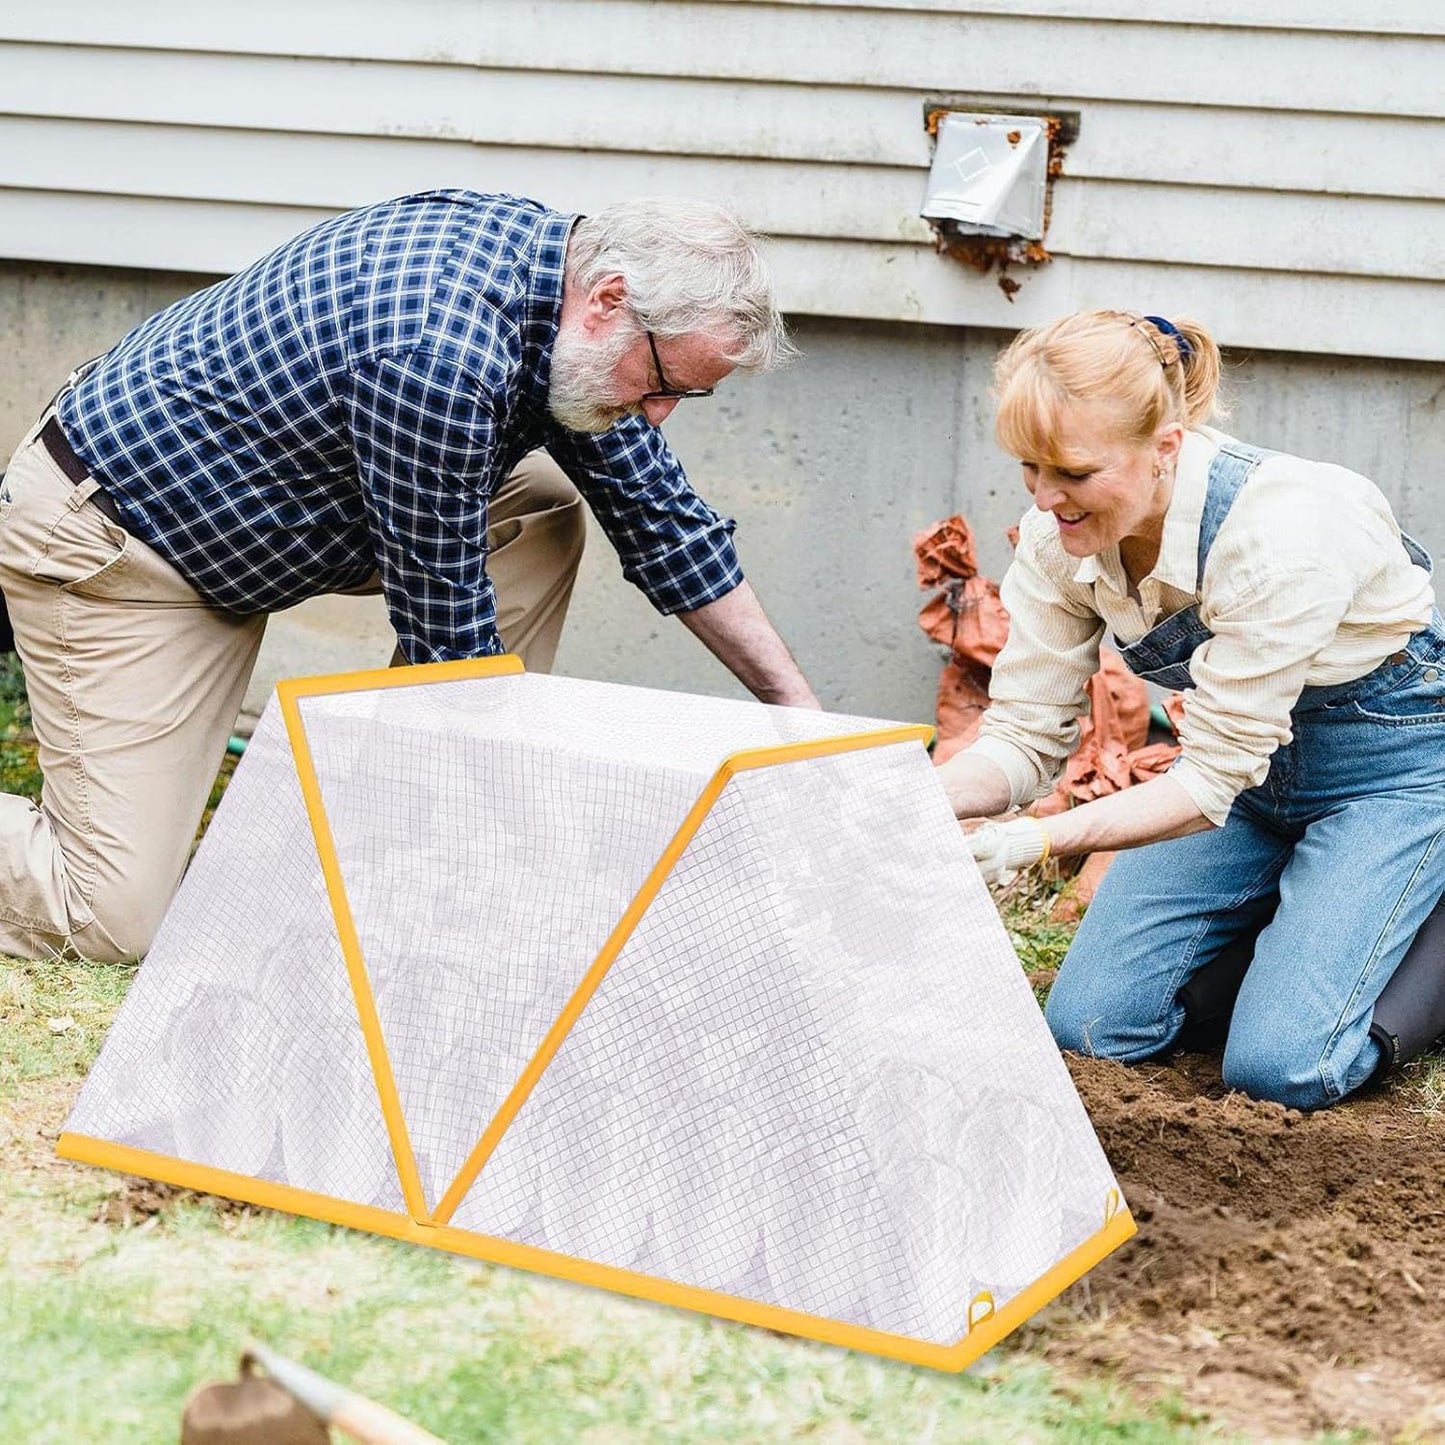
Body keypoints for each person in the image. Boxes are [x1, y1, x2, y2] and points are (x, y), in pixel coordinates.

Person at [0, 189, 819, 965]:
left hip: (263, 519)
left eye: (690, 393)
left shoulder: (567, 307)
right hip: (124, 545)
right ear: (608, 299)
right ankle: (443, 837)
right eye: (665, 382)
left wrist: (798, 714)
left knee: (541, 506)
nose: (660, 412)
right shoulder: (437, 349)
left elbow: (663, 520)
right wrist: (538, 840)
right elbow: (448, 640)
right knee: (108, 915)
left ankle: (405, 849)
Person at [936, 309, 1445, 1111]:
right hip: (1248, 775)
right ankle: (1310, 926)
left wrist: (1032, 839)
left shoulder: (1282, 533)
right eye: (1028, 468)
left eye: (1069, 471)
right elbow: (1024, 737)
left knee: (1282, 1068)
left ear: (1164, 448)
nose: (1044, 498)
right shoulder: (1055, 537)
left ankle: (1404, 924)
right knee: (1091, 1025)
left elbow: (1203, 783)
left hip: (1391, 772)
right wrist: (916, 804)